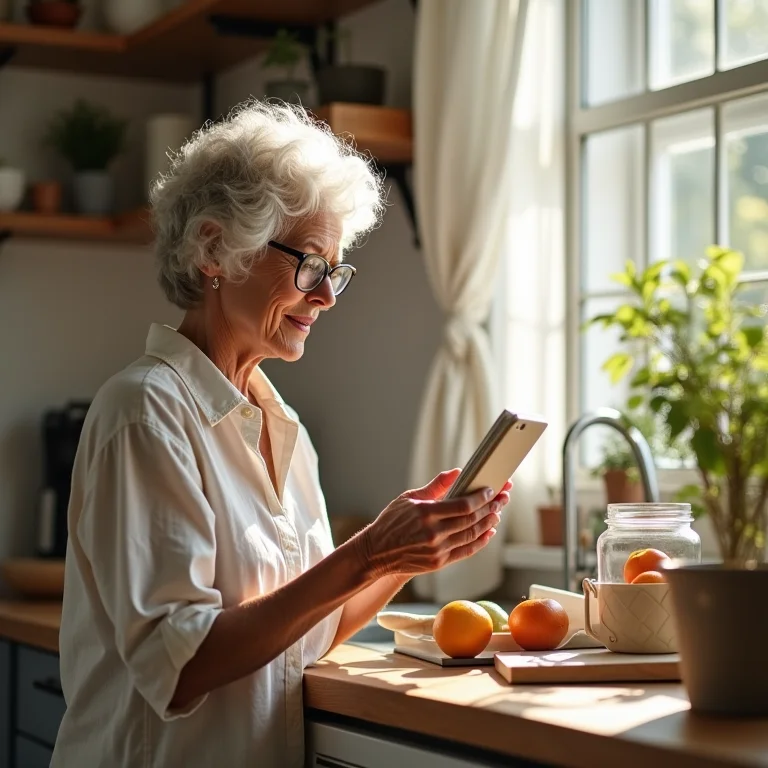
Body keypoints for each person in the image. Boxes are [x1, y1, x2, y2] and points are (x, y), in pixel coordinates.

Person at [51, 101, 510, 768]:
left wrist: (407, 555)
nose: (325, 296)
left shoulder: (282, 424)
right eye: (310, 265)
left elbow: (306, 634)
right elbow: (180, 663)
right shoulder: (145, 413)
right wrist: (370, 555)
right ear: (214, 249)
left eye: (336, 271)